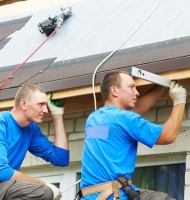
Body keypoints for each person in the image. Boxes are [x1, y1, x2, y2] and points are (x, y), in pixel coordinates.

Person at [80, 70, 186, 200]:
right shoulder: (125, 119)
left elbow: (132, 115)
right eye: (131, 87)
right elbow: (168, 136)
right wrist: (180, 101)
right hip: (115, 195)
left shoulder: (94, 119)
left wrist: (161, 86)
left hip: (91, 196)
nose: (136, 92)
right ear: (114, 91)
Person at [0, 84, 69, 200]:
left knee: (41, 192)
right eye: (41, 104)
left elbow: (61, 159)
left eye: (46, 105)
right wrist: (41, 183)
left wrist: (57, 115)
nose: (46, 110)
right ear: (23, 104)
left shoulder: (31, 129)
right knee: (43, 191)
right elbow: (0, 172)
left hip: (1, 187)